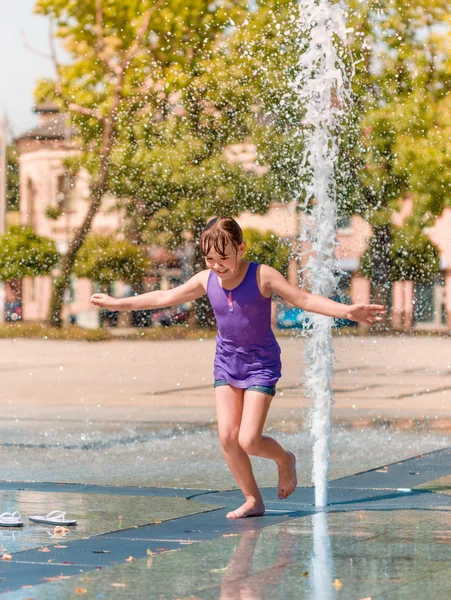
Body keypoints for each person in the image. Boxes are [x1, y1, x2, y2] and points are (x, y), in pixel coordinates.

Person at [90, 216, 385, 519]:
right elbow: (164, 297)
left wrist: (347, 311)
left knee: (249, 440)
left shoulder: (262, 276)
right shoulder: (206, 279)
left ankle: (284, 460)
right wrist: (117, 303)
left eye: (223, 258)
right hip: (226, 363)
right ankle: (253, 500)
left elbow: (304, 299)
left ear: (241, 248)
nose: (217, 265)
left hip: (261, 364)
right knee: (228, 438)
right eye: (209, 259)